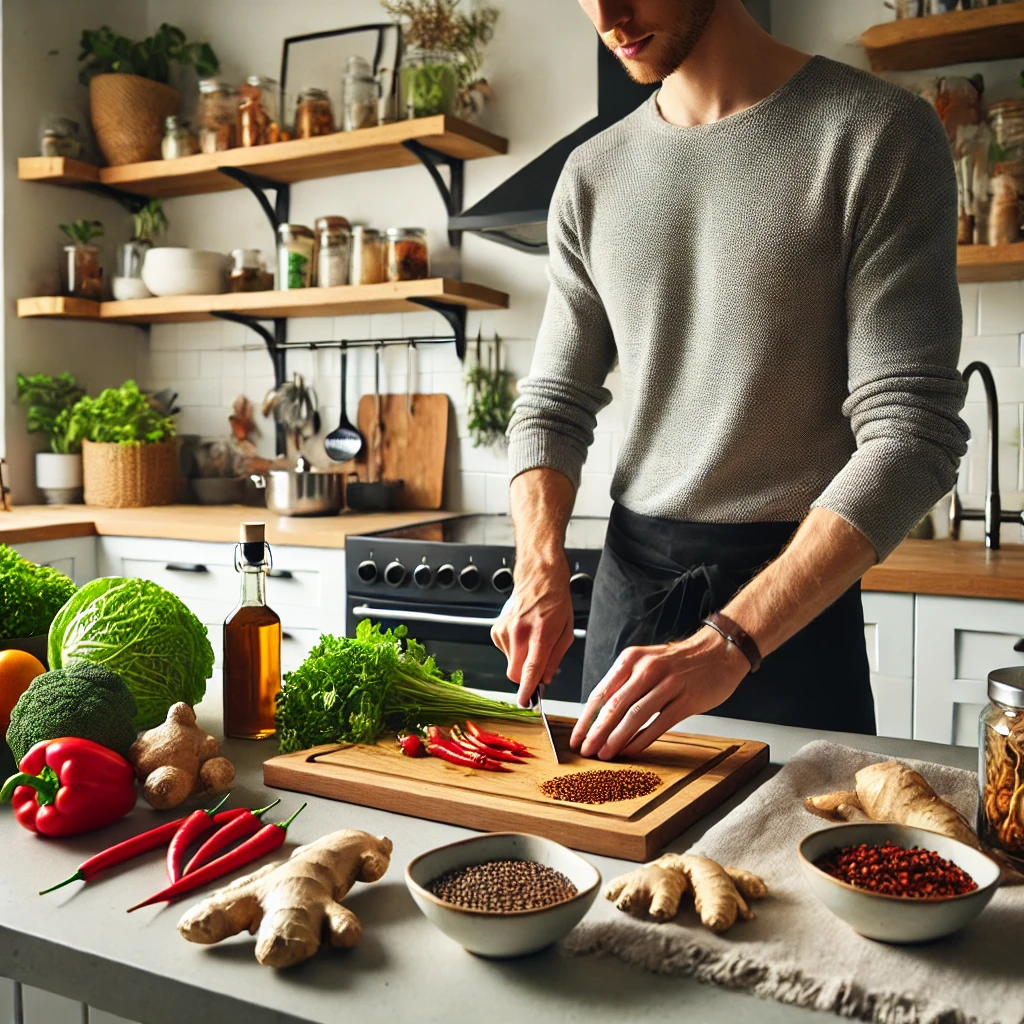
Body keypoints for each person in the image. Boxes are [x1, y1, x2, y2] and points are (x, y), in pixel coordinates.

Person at [491, 0, 969, 760]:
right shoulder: (591, 175)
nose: (609, 15)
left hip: (790, 610)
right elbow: (552, 403)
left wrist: (733, 639)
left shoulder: (876, 133)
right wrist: (539, 565)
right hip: (631, 592)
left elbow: (912, 437)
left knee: (795, 871)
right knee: (609, 868)